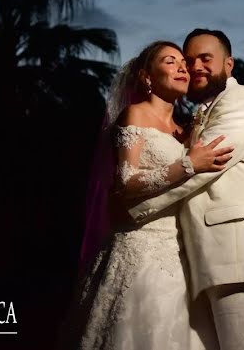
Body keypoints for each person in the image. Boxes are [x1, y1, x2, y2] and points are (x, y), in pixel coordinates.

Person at [127, 29, 244, 350]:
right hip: (211, 260)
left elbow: (205, 167)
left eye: (206, 58)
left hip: (240, 258)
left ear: (229, 64)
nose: (195, 66)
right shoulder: (201, 112)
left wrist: (138, 209)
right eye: (190, 60)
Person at [66, 40, 232, 350]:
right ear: (146, 77)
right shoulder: (135, 115)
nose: (182, 67)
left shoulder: (186, 130)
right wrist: (188, 164)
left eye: (183, 62)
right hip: (139, 247)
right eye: (170, 61)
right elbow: (125, 182)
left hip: (181, 251)